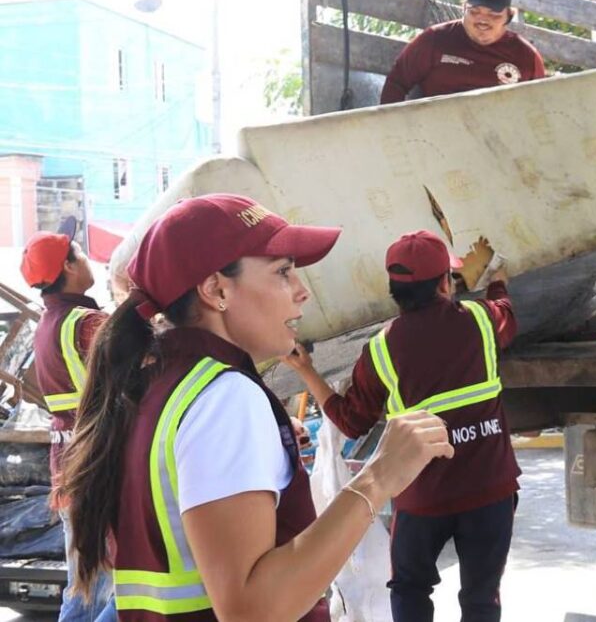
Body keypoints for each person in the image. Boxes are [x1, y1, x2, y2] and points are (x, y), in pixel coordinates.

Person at [57, 194, 453, 621]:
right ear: (216, 290)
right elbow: (251, 611)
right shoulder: (224, 397)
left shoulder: (159, 382)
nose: (302, 292)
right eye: (283, 272)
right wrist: (378, 478)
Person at [285, 229, 520, 622]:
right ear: (445, 283)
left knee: (410, 590)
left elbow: (350, 421)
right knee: (481, 599)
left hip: (422, 498)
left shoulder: (381, 350)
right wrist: (497, 282)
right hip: (489, 489)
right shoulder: (480, 320)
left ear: (394, 291)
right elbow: (505, 315)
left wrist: (307, 371)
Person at [20, 229, 116, 622]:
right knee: (119, 591)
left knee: (83, 589)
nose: (88, 259)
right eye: (79, 252)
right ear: (69, 267)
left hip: (69, 467)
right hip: (100, 468)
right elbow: (147, 369)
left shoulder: (48, 324)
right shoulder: (87, 323)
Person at [380, 0, 546, 104]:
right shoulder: (435, 39)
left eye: (493, 14)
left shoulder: (527, 57)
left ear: (509, 16)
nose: (482, 19)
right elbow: (397, 82)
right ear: (464, 8)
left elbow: (541, 104)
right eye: (474, 11)